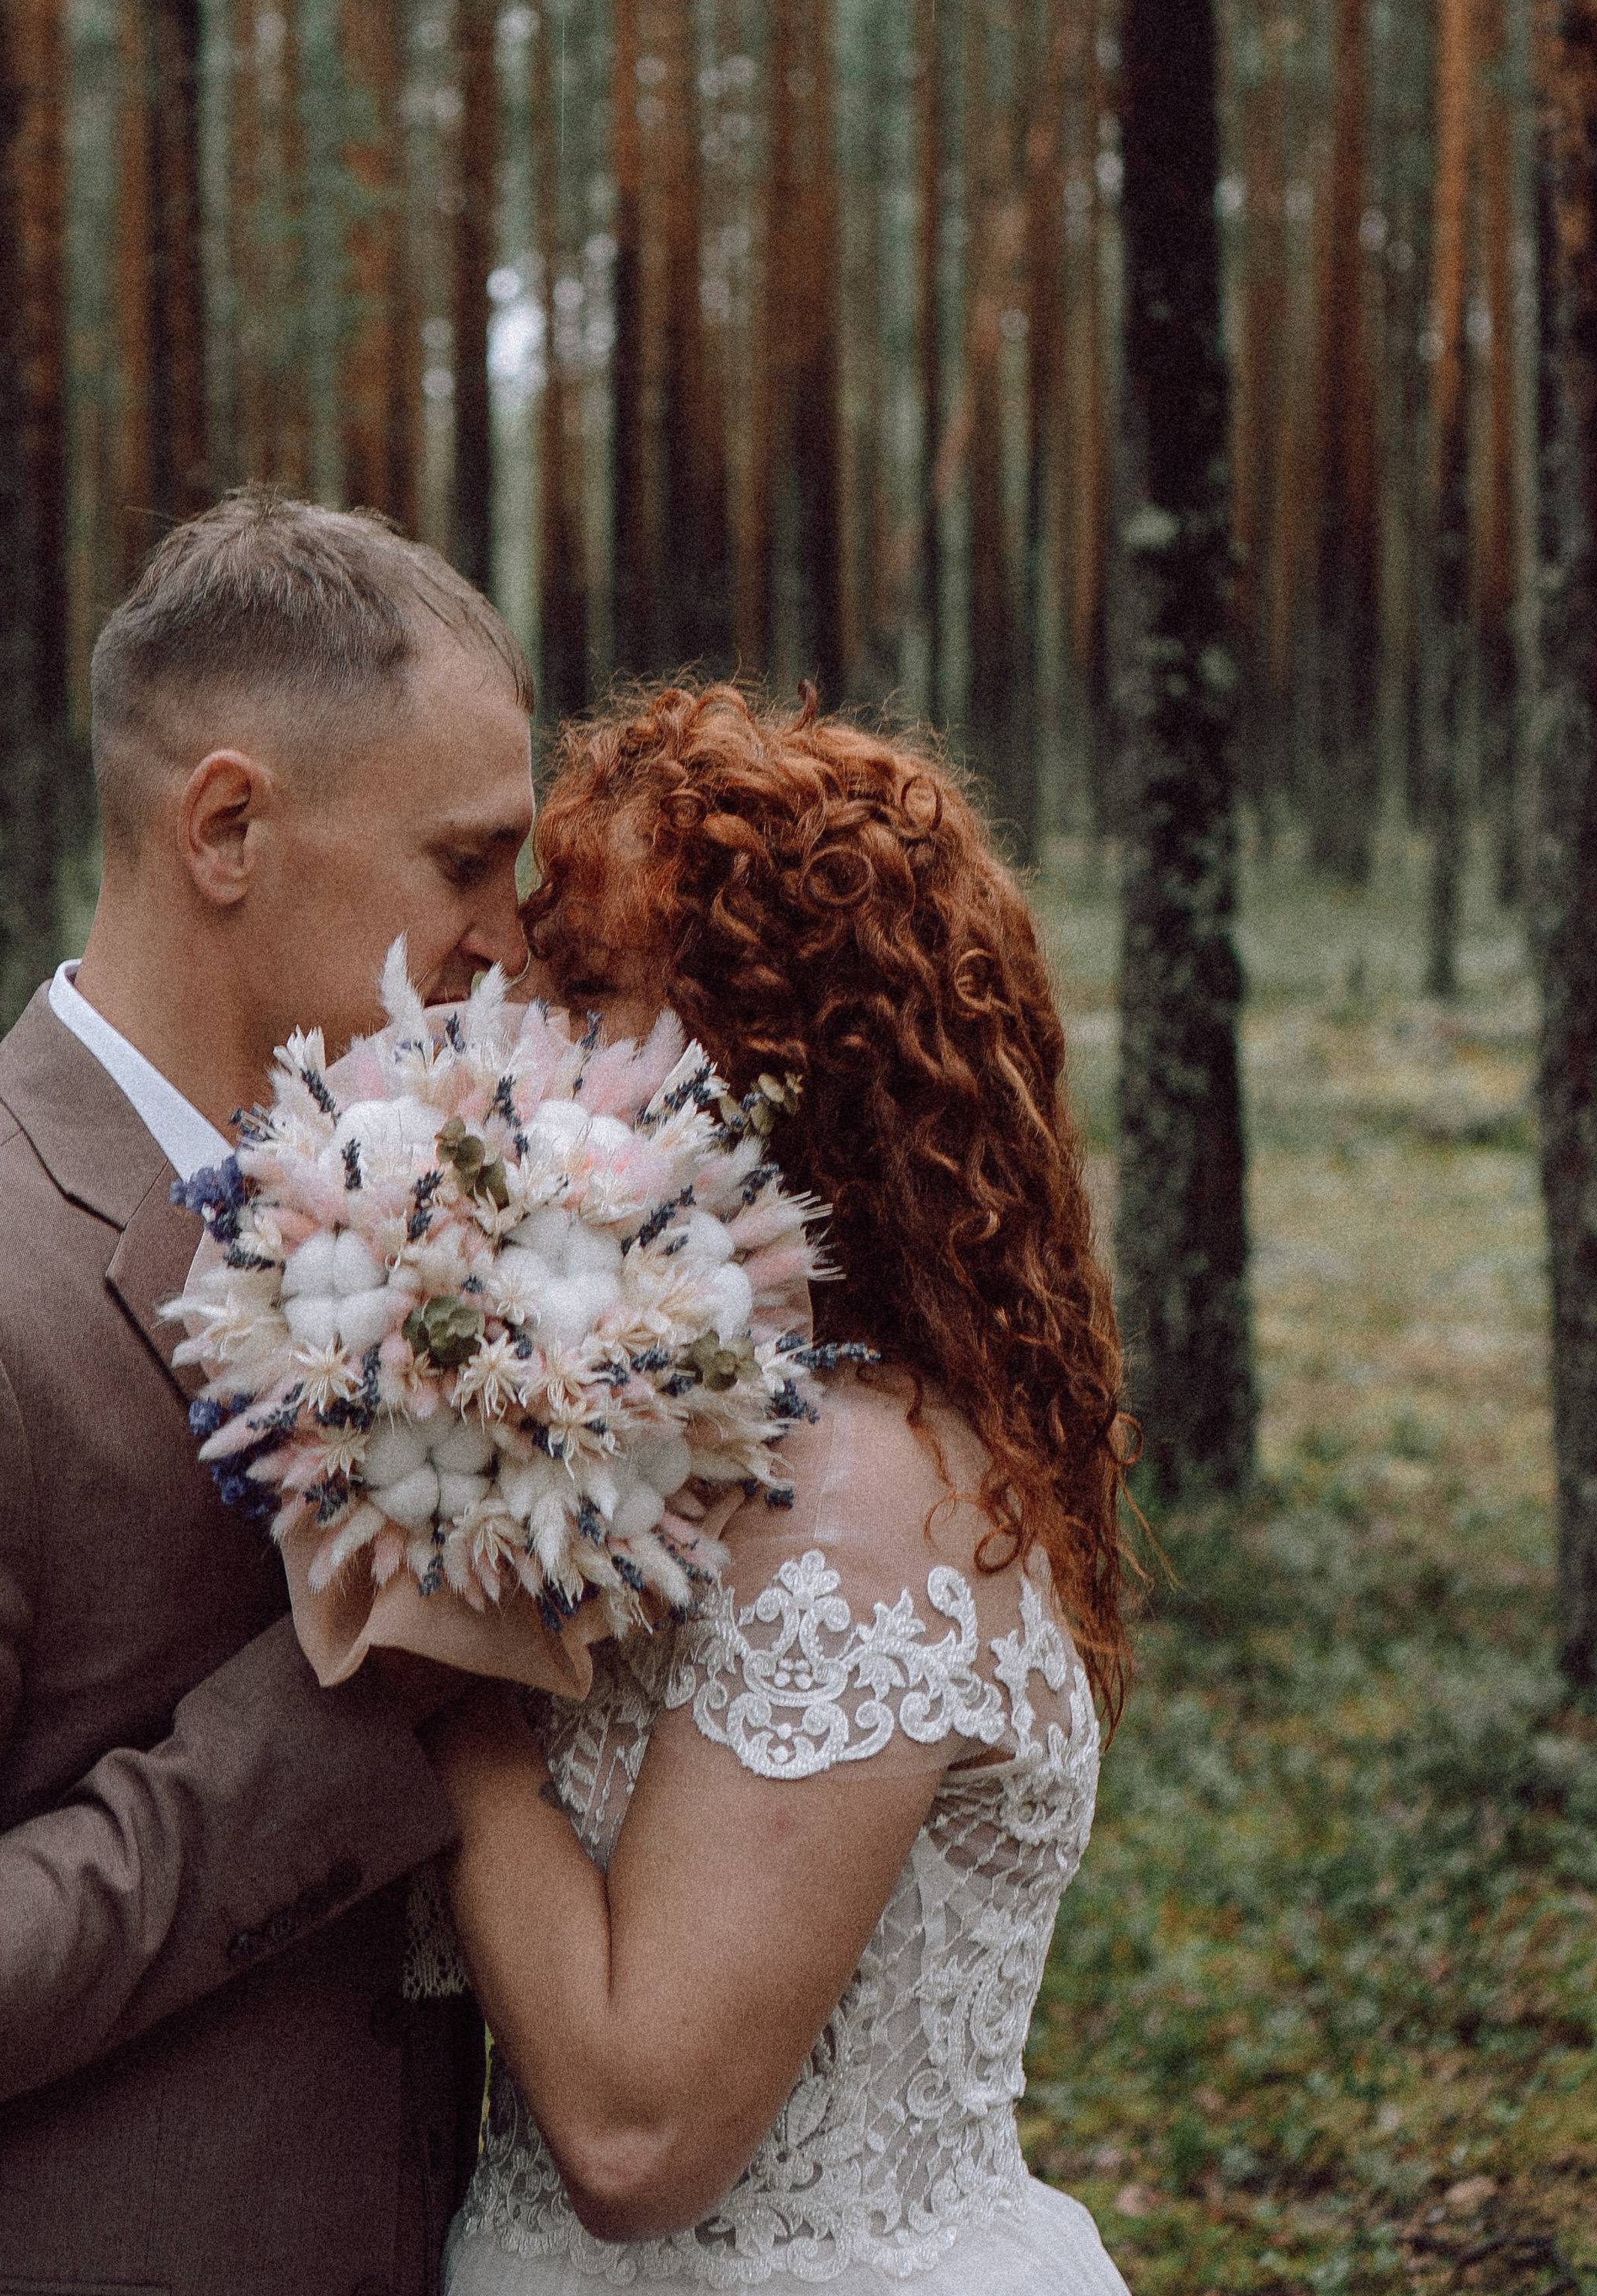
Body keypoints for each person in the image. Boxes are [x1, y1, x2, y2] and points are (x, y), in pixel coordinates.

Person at [0, 494, 537, 2296]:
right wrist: (356, 1707)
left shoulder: (424, 1214)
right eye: (465, 864)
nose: (509, 939)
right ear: (225, 827)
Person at [425, 683, 1137, 2296]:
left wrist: (420, 1641)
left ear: (782, 1050)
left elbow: (632, 2139)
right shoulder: (704, 1427)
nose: (521, 1051)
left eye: (586, 994)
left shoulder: (862, 1504)